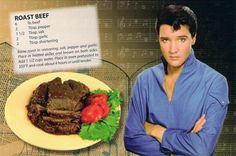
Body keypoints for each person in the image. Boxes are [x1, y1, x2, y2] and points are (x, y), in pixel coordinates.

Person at [124, 4, 229, 156]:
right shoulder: (144, 80)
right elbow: (131, 140)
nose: (173, 49)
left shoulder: (215, 82)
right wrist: (185, 144)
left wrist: (155, 130)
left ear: (193, 38)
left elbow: (202, 149)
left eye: (181, 39)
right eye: (165, 40)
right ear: (158, 39)